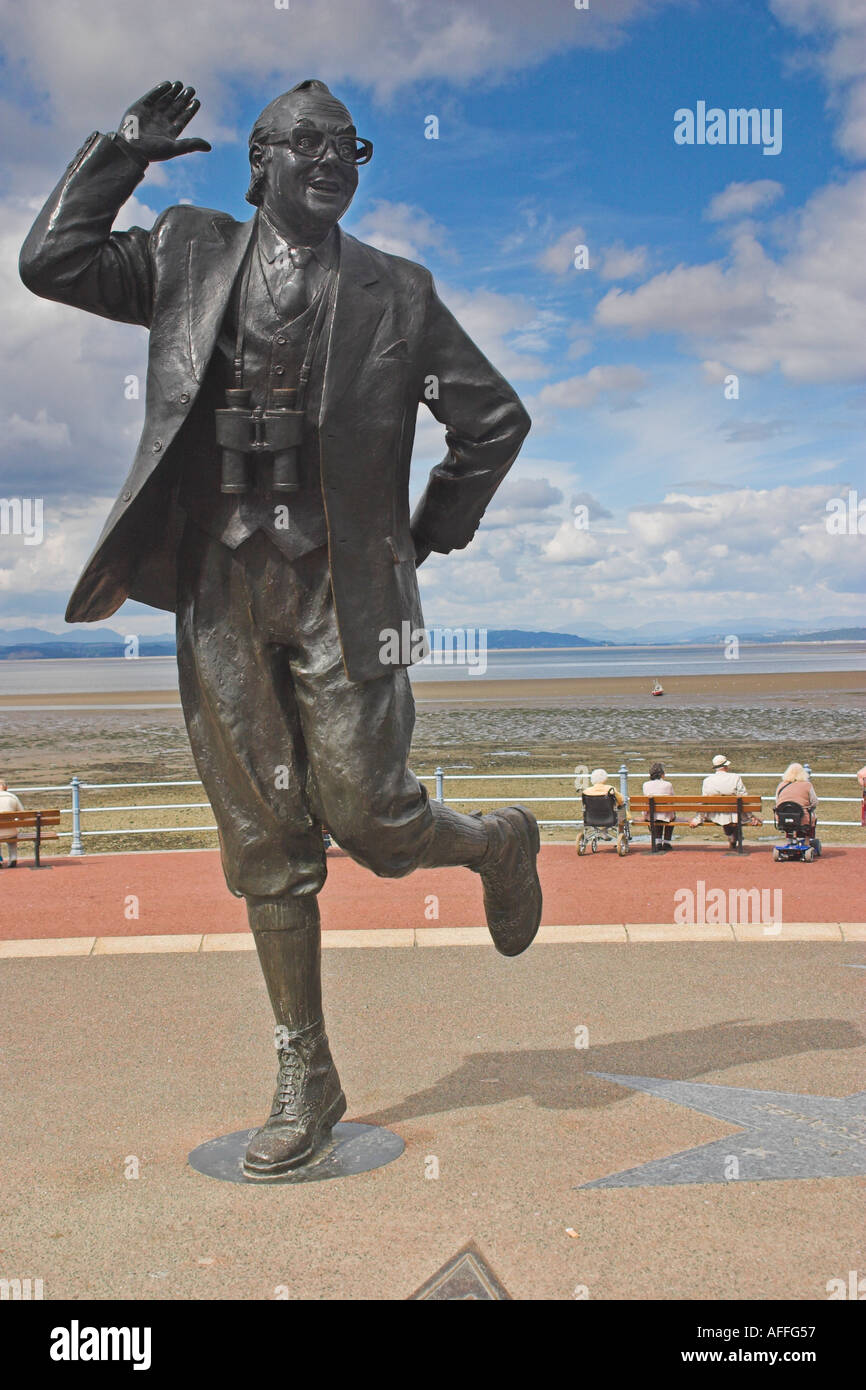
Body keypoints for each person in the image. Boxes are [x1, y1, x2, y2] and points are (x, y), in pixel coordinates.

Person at [20, 79, 540, 1179]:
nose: (331, 159)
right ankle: (305, 1067)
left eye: (348, 144)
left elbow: (491, 422)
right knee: (264, 840)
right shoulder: (184, 252)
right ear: (256, 161)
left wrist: (423, 536)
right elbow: (51, 263)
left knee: (374, 821)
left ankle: (493, 842)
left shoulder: (399, 293)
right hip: (219, 585)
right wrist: (122, 153)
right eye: (305, 143)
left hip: (349, 593)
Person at [690, 754, 760, 849]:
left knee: (724, 814)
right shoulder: (735, 777)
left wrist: (698, 819)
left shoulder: (707, 780)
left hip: (715, 814)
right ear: (726, 766)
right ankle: (734, 837)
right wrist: (751, 816)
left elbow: (703, 801)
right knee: (735, 814)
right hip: (735, 813)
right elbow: (744, 798)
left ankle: (731, 836)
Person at [774, 763, 817, 837]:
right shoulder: (807, 785)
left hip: (783, 818)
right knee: (811, 818)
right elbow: (814, 802)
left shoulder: (781, 785)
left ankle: (790, 838)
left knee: (788, 813)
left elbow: (777, 801)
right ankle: (807, 840)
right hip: (802, 818)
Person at [642, 761, 675, 850]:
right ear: (662, 774)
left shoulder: (646, 785)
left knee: (655, 813)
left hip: (651, 815)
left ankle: (658, 841)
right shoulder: (668, 785)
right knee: (668, 813)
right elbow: (672, 800)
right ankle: (667, 842)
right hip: (666, 816)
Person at [583, 768, 626, 837]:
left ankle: (603, 832)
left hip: (591, 817)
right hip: (609, 816)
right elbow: (621, 801)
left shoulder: (586, 791)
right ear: (605, 778)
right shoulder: (610, 789)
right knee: (622, 810)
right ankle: (621, 833)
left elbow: (584, 804)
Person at [0, 779, 24, 868]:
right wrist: (16, 821)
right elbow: (22, 815)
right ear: (6, 787)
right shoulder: (13, 797)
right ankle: (13, 857)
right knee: (12, 836)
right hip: (11, 832)